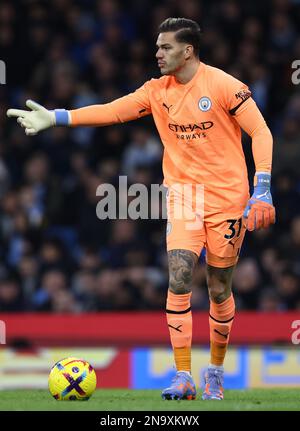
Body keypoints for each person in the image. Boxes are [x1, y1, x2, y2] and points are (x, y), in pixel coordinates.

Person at [7, 17, 275, 401]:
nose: (157, 54)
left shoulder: (224, 86)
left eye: (165, 47)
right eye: (157, 47)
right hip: (184, 197)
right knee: (180, 278)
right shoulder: (156, 91)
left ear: (188, 50)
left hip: (229, 199)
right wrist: (58, 117)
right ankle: (183, 375)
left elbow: (261, 131)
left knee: (218, 288)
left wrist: (262, 188)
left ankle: (214, 370)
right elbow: (114, 110)